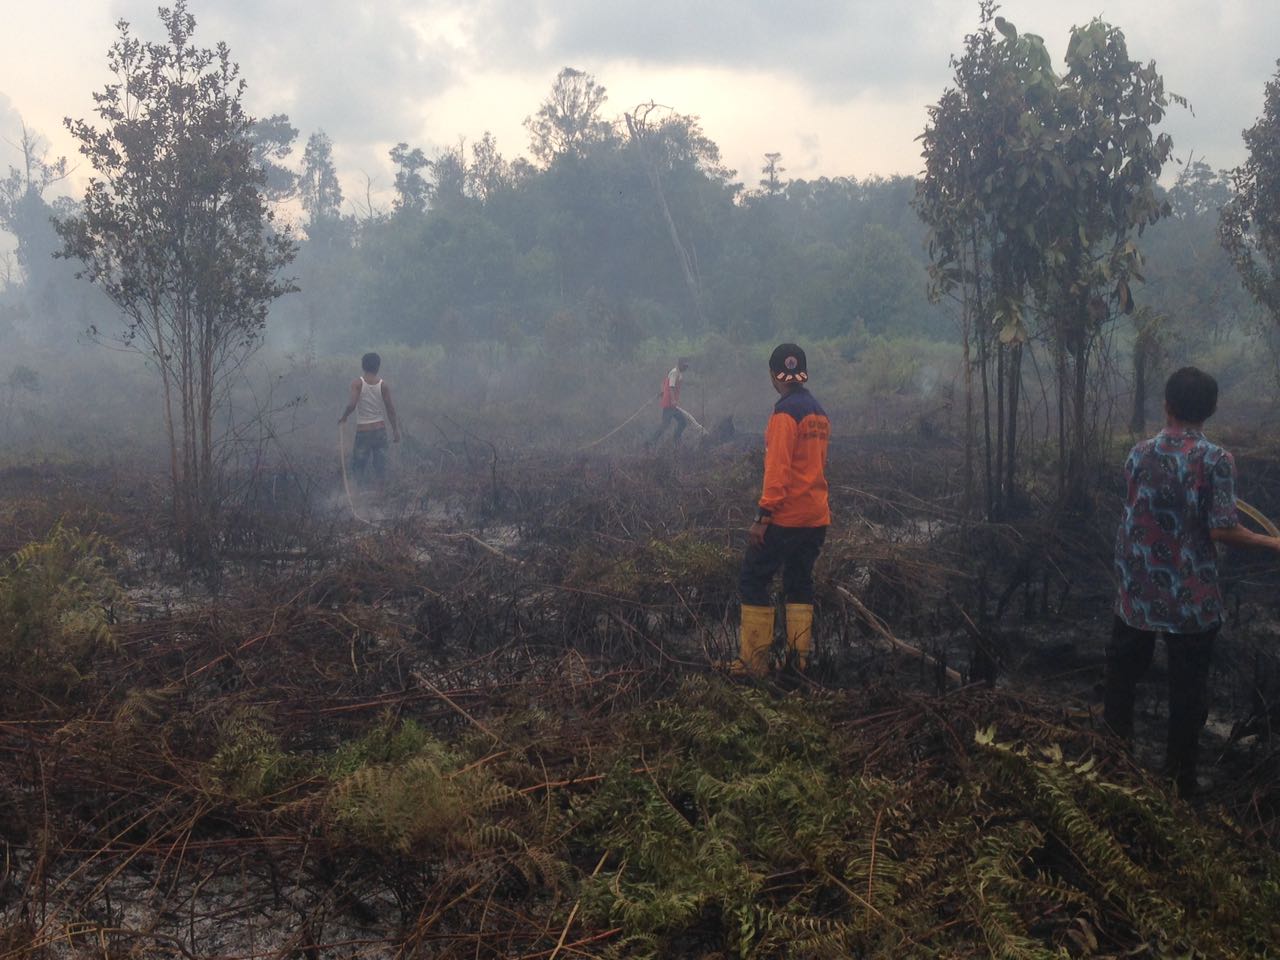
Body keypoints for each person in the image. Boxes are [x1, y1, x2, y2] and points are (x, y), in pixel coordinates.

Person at [1106, 366, 1280, 797]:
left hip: (1136, 590)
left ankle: (1111, 761)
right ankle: (1179, 782)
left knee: (1122, 677)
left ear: (1167, 405)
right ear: (1211, 409)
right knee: (1188, 691)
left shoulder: (1138, 453)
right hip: (1188, 596)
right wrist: (1273, 543)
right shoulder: (1216, 460)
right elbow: (1223, 529)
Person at [733, 343, 831, 676]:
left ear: (774, 376)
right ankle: (797, 662)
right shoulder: (819, 412)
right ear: (802, 374)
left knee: (753, 578)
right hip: (816, 518)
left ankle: (754, 663)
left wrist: (763, 517)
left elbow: (778, 471)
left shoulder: (784, 415)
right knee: (799, 582)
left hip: (787, 518)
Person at [339, 352, 400, 490]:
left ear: (363, 366)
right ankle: (381, 494)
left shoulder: (357, 383)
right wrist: (395, 430)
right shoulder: (383, 385)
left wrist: (344, 417)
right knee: (381, 467)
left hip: (364, 432)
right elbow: (390, 409)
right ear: (378, 367)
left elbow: (351, 405)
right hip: (380, 431)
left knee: (358, 467)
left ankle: (358, 494)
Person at [649, 357, 690, 445]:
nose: (686, 368)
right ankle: (650, 443)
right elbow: (671, 387)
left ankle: (676, 440)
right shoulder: (674, 372)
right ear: (680, 364)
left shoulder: (678, 373)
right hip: (669, 404)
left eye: (687, 366)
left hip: (672, 405)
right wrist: (673, 400)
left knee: (682, 422)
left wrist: (663, 392)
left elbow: (665, 383)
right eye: (685, 366)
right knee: (665, 425)